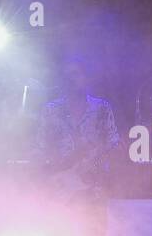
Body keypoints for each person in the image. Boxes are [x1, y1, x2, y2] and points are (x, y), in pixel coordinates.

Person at [37, 55, 121, 197]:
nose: (71, 79)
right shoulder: (51, 109)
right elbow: (41, 147)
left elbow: (113, 144)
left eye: (75, 74)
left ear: (86, 77)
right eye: (66, 75)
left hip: (94, 188)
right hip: (60, 189)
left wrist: (111, 154)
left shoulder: (102, 108)